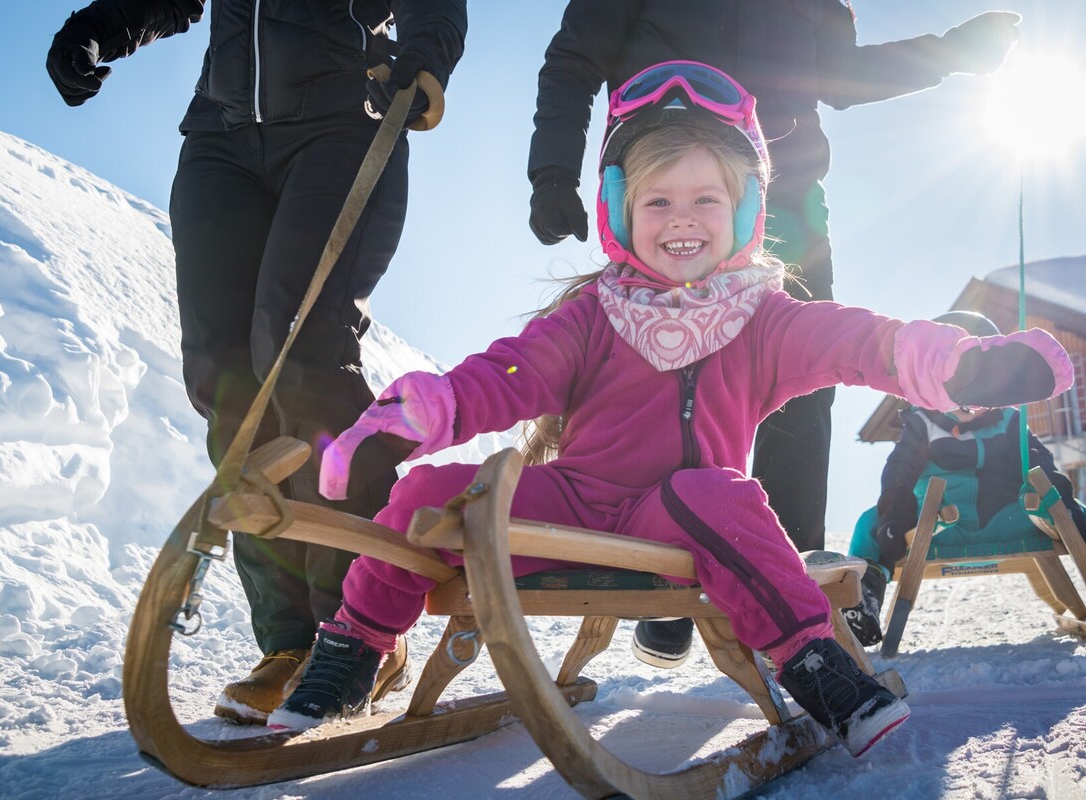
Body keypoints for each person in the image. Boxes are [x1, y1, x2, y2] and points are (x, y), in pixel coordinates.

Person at [258, 62, 1071, 758]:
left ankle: (815, 662)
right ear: (618, 210)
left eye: (706, 201)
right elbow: (506, 374)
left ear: (748, 210)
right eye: (658, 202)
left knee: (715, 491)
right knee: (434, 493)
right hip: (574, 503)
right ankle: (351, 649)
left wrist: (965, 367)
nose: (682, 219)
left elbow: (864, 342)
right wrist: (416, 412)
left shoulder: (766, 318)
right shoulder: (592, 313)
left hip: (682, 521)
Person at [525, 1, 1020, 666]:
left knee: (805, 375)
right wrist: (550, 171)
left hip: (785, 202)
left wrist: (953, 51)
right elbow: (574, 59)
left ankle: (783, 571)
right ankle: (669, 572)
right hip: (674, 194)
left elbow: (843, 75)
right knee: (665, 376)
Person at [45, 0, 467, 724]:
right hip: (221, 135)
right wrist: (98, 28)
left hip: (343, 115)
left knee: (303, 357)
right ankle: (288, 642)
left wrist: (426, 54)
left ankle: (357, 629)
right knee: (224, 376)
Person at [843, 311, 1086, 647]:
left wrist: (1056, 505)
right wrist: (894, 518)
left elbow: (1042, 467)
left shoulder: (1010, 422)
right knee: (869, 524)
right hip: (937, 526)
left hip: (1007, 519)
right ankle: (863, 598)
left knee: (1076, 512)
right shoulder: (921, 424)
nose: (970, 404)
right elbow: (899, 475)